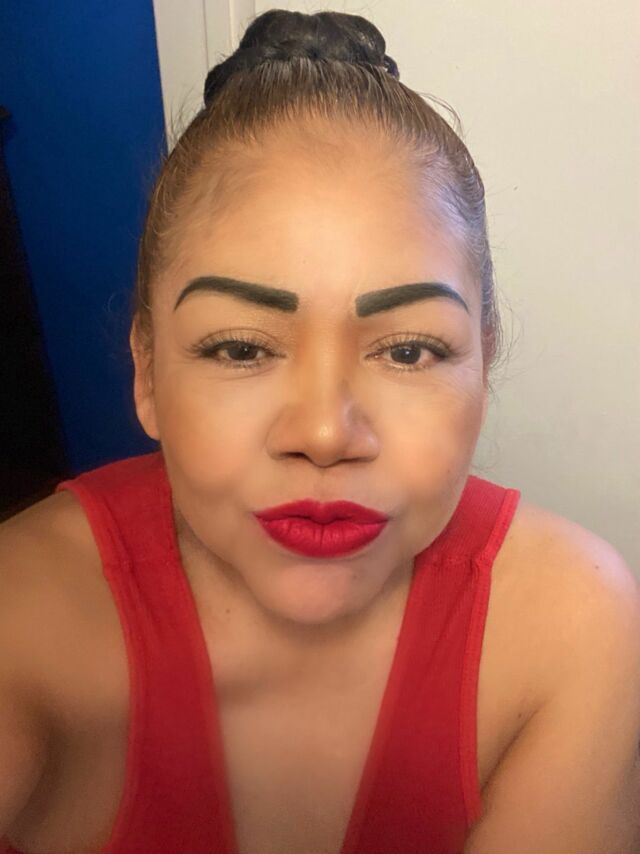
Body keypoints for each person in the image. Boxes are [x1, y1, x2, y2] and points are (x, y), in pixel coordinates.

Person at [1, 8, 639, 854]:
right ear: (147, 372)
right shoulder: (22, 619)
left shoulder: (572, 626)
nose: (325, 433)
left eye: (408, 350)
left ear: (483, 365)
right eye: (240, 348)